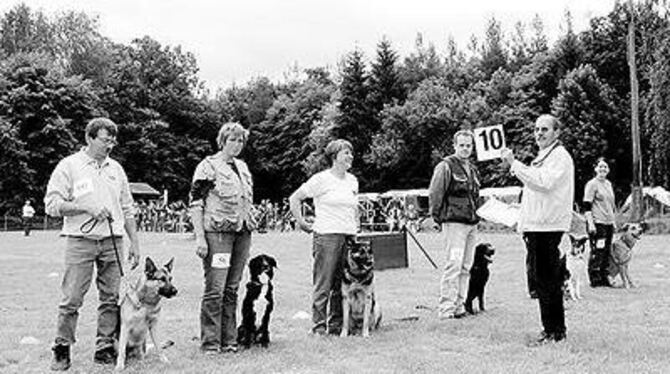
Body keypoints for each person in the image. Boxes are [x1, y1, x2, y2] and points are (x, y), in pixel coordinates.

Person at [44, 118, 140, 371]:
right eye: (105, 139)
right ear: (89, 138)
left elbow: (128, 208)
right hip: (79, 240)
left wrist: (135, 243)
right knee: (72, 298)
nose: (110, 145)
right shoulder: (69, 166)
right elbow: (52, 204)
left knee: (110, 298)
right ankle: (62, 348)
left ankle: (105, 347)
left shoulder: (116, 169)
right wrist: (84, 207)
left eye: (113, 140)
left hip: (113, 240)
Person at [501, 114, 574, 346]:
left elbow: (544, 183)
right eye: (536, 129)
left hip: (547, 228)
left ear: (557, 132)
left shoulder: (560, 157)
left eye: (544, 129)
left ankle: (555, 330)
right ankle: (550, 328)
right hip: (537, 226)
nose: (539, 133)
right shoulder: (543, 156)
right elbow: (536, 189)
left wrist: (514, 164)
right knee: (541, 279)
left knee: (547, 280)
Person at [190, 122, 256, 354]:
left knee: (232, 288)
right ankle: (210, 342)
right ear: (222, 141)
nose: (237, 145)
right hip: (217, 233)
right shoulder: (207, 166)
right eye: (232, 140)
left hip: (242, 232)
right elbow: (196, 203)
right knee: (215, 288)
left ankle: (229, 341)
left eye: (240, 141)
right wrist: (200, 238)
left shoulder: (243, 167)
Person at [289, 139, 358, 335]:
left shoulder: (353, 180)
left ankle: (336, 326)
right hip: (327, 236)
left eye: (351, 153)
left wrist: (355, 228)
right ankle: (319, 327)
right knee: (324, 283)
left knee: (343, 283)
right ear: (334, 156)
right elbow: (294, 198)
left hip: (348, 236)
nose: (350, 157)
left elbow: (354, 208)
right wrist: (301, 222)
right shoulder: (321, 179)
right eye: (346, 153)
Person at [428, 130, 480, 319]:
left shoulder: (472, 169)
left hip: (471, 223)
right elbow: (435, 193)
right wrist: (437, 217)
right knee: (453, 265)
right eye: (462, 145)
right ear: (454, 146)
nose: (465, 149)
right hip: (454, 223)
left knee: (467, 266)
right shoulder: (446, 166)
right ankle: (446, 309)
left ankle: (460, 305)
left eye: (469, 145)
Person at [583, 157, 616, 287]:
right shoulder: (592, 184)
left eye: (605, 167)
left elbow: (611, 205)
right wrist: (590, 223)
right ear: (595, 168)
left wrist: (613, 221)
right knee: (598, 250)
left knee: (607, 251)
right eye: (600, 166)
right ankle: (595, 278)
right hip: (597, 223)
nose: (603, 169)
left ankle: (604, 277)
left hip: (608, 223)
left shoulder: (608, 184)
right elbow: (586, 205)